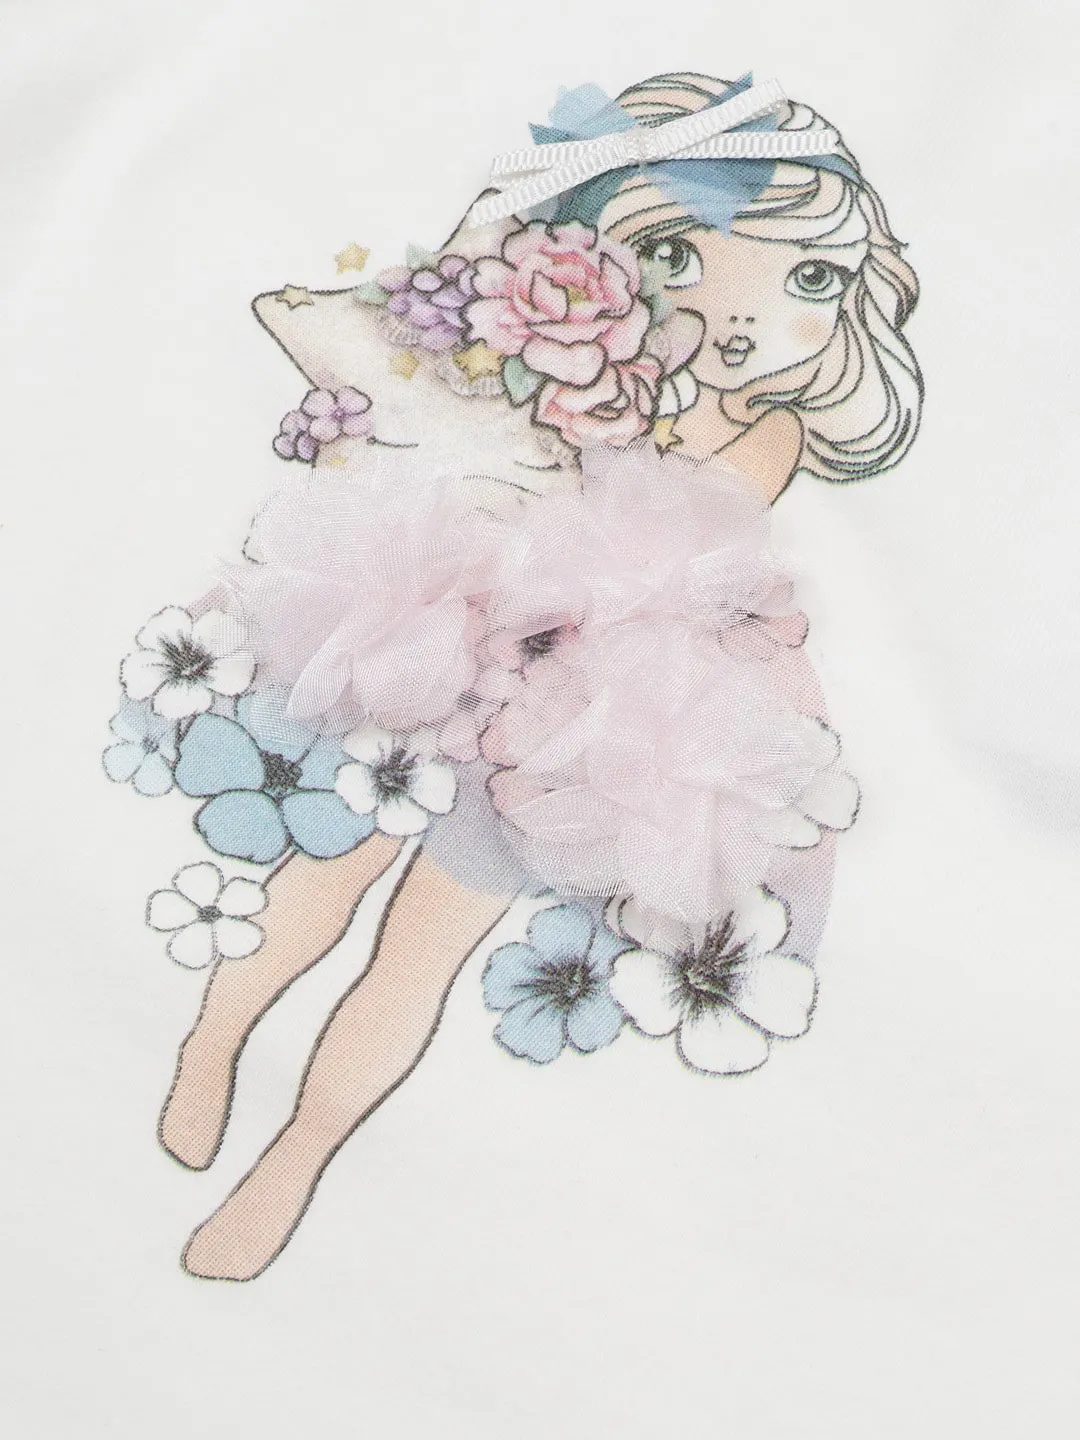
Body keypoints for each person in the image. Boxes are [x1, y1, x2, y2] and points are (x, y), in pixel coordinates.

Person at [140, 71, 921, 1280]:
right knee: (318, 879)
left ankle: (296, 1159)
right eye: (681, 259)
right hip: (441, 634)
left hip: (580, 717)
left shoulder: (757, 427)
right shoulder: (566, 351)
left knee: (421, 952)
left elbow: (665, 537)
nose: (739, 319)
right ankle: (212, 1039)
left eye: (808, 280)